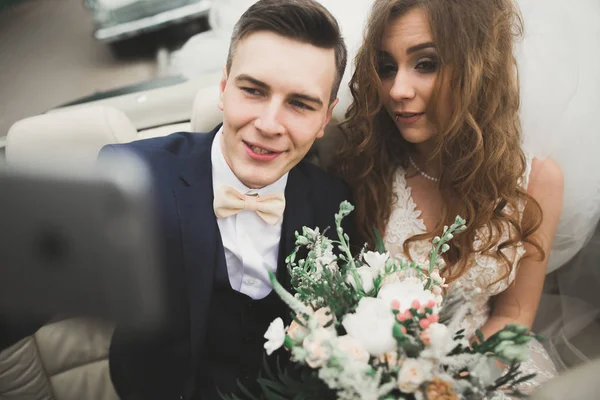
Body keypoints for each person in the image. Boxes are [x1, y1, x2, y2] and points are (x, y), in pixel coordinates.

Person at [99, 1, 352, 399]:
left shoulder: (335, 204)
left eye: (300, 104)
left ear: (325, 119)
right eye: (253, 91)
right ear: (222, 87)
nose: (269, 125)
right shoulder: (130, 178)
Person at [333, 0, 563, 393]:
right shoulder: (367, 170)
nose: (398, 90)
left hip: (492, 364)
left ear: (478, 67)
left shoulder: (537, 181)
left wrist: (458, 386)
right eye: (387, 67)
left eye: (426, 63)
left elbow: (515, 313)